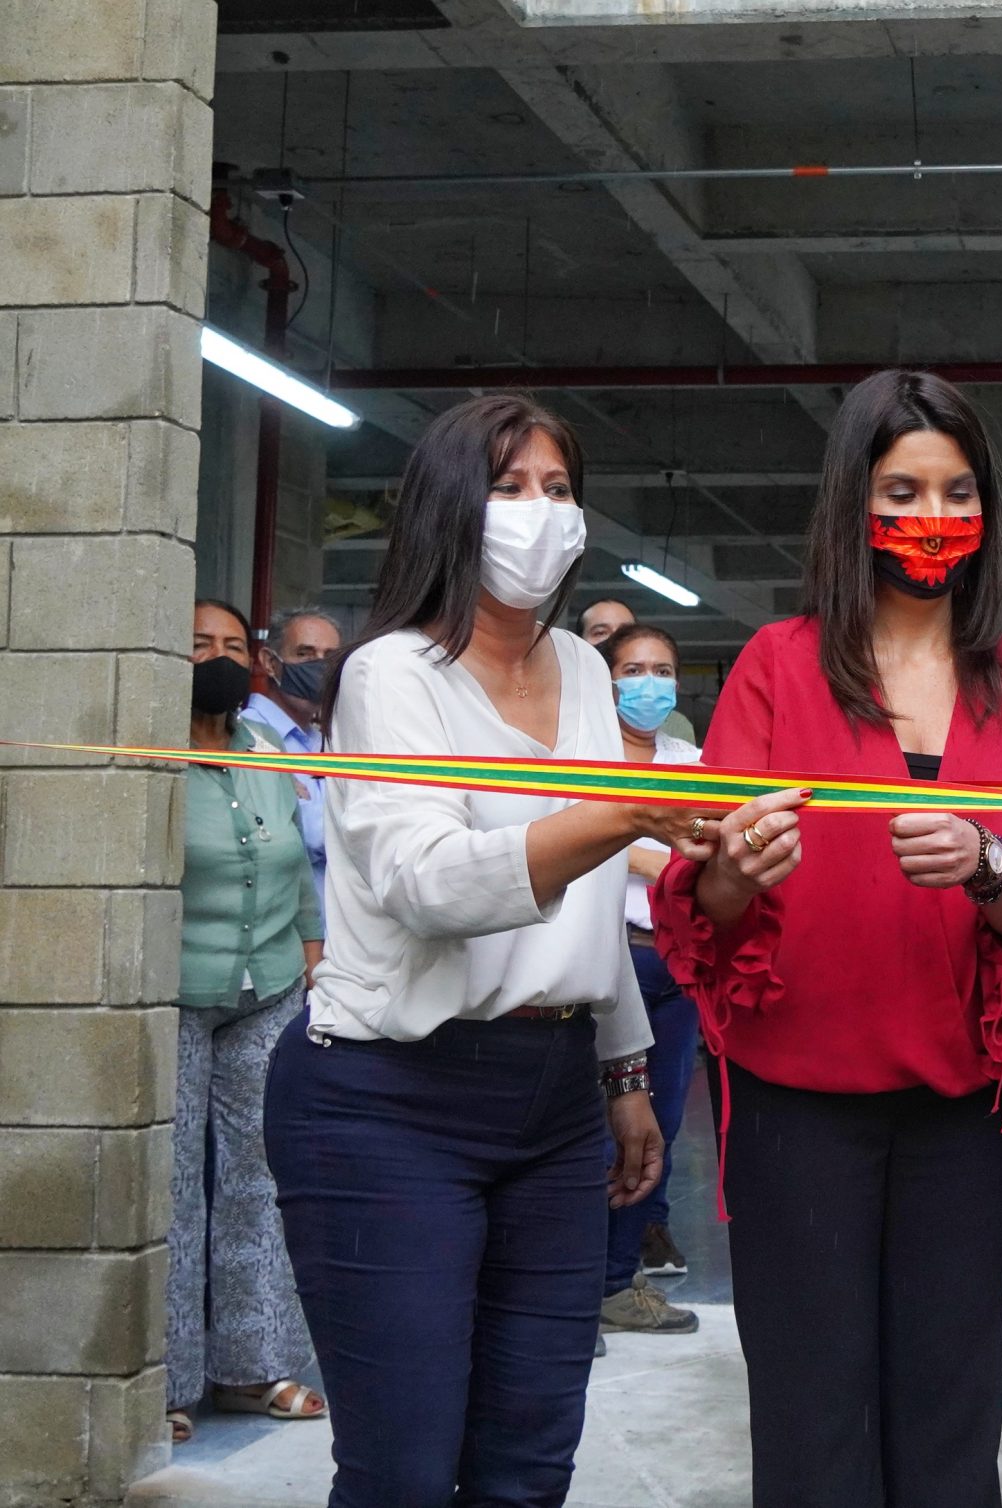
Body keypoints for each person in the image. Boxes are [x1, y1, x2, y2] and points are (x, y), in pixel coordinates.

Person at [265, 393, 726, 1507]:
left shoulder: (578, 666)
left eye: (559, 491)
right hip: (388, 1097)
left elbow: (590, 910)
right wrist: (621, 812)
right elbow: (430, 883)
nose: (539, 514)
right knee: (407, 1468)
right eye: (508, 488)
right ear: (447, 509)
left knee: (526, 1460)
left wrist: (623, 1073)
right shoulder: (391, 676)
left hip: (552, 1100)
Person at [652, 370, 1002, 1507]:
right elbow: (709, 904)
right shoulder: (778, 666)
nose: (930, 516)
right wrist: (732, 870)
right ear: (853, 503)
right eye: (900, 489)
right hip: (795, 1100)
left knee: (948, 1416)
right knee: (810, 1415)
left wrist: (989, 865)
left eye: (955, 489)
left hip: (959, 1103)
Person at [165, 598, 328, 1447]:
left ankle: (252, 1366)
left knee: (261, 1178)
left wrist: (310, 940)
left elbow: (296, 856)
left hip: (267, 983)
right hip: (176, 989)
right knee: (172, 1181)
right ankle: (164, 1380)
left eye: (234, 645)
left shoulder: (263, 746)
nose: (220, 658)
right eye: (200, 645)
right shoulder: (146, 745)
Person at [597, 622, 706, 1334]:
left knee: (658, 1127)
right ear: (608, 680)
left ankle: (615, 1281)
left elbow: (712, 846)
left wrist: (644, 849)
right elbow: (594, 848)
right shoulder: (586, 758)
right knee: (602, 1129)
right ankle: (574, 1290)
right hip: (612, 959)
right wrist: (660, 854)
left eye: (661, 669)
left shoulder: (692, 759)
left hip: (678, 960)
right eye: (634, 668)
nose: (649, 683)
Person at [242, 605, 341, 921]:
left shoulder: (324, 740)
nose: (319, 666)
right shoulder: (247, 736)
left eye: (329, 657)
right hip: (282, 934)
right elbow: (312, 835)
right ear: (271, 663)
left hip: (334, 937)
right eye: (305, 653)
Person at [581, 597, 696, 744]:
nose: (614, 640)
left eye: (626, 632)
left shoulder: (677, 728)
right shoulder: (560, 717)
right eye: (600, 632)